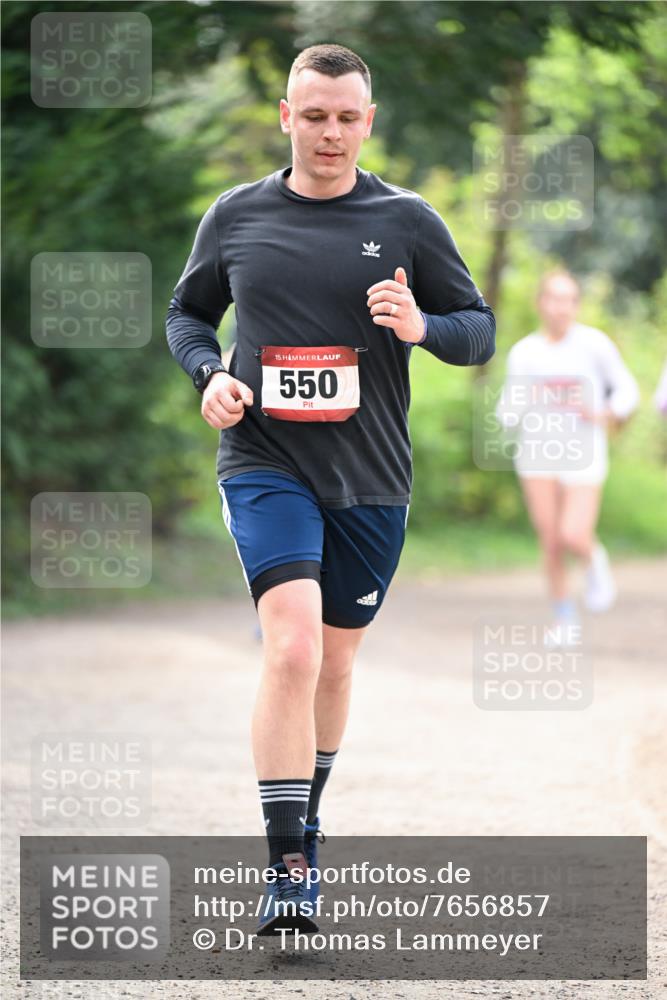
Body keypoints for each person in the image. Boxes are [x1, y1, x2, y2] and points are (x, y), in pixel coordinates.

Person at [166, 42, 495, 934]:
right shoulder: (235, 217)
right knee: (294, 651)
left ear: (368, 121)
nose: (330, 133)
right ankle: (288, 865)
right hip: (265, 462)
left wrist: (424, 324)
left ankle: (307, 815)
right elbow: (188, 314)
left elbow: (478, 332)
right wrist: (209, 376)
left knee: (337, 662)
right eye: (313, 115)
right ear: (285, 116)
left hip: (371, 477)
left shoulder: (409, 220)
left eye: (347, 117)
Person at [495, 269, 639, 646]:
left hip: (584, 453)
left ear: (576, 305)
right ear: (540, 303)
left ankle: (594, 559)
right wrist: (512, 413)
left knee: (573, 534)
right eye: (554, 299)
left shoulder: (594, 345)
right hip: (537, 455)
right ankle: (564, 620)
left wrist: (606, 413)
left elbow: (627, 391)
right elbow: (509, 406)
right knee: (551, 541)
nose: (562, 307)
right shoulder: (525, 351)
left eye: (570, 299)